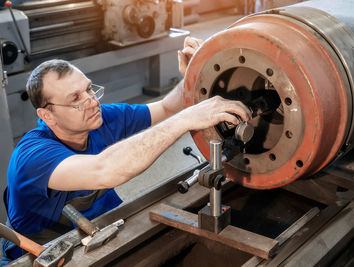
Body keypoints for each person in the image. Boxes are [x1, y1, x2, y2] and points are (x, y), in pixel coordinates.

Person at [0, 37, 251, 265]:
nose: (91, 101)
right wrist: (187, 119)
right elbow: (104, 170)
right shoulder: (32, 156)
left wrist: (193, 77)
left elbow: (165, 108)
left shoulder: (100, 118)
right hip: (40, 255)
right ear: (47, 115)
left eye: (89, 89)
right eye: (75, 98)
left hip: (101, 229)